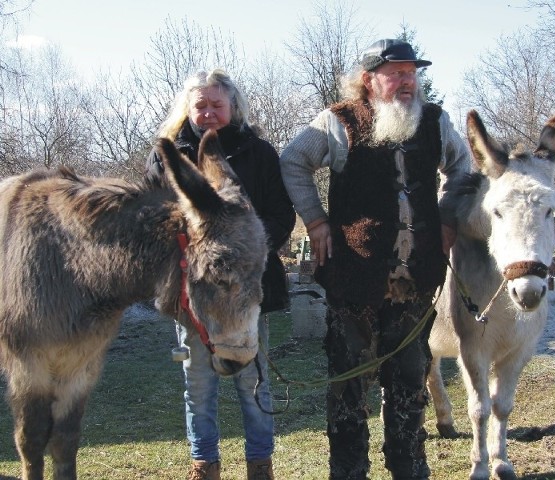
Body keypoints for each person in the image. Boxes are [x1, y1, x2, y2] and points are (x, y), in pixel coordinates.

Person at [279, 39, 471, 479]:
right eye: (395, 73)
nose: (406, 81)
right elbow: (293, 161)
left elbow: (463, 168)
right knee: (347, 386)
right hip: (353, 282)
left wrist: (447, 216)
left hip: (416, 282)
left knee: (408, 382)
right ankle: (348, 473)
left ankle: (409, 469)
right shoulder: (337, 121)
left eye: (411, 73)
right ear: (369, 80)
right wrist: (316, 221)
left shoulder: (436, 122)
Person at [146, 69, 295, 480]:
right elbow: (153, 220)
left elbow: (282, 215)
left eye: (217, 105)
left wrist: (244, 252)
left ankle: (260, 464)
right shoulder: (166, 156)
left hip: (247, 291)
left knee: (253, 385)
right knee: (199, 387)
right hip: (192, 294)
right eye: (201, 105)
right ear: (188, 109)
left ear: (233, 107)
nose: (209, 113)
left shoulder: (259, 153)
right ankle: (203, 464)